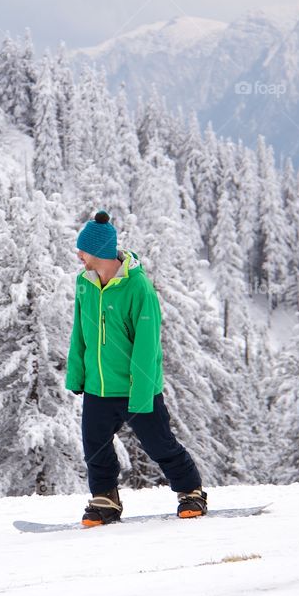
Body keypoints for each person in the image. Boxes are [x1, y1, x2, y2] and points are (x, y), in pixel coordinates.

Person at [66, 209, 207, 526]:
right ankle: (105, 499)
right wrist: (77, 374)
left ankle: (191, 491)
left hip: (136, 387)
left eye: (83, 250)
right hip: (99, 387)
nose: (79, 255)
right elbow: (80, 331)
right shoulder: (85, 283)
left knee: (159, 444)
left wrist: (141, 391)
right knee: (95, 448)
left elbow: (147, 345)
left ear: (99, 252)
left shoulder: (138, 288)